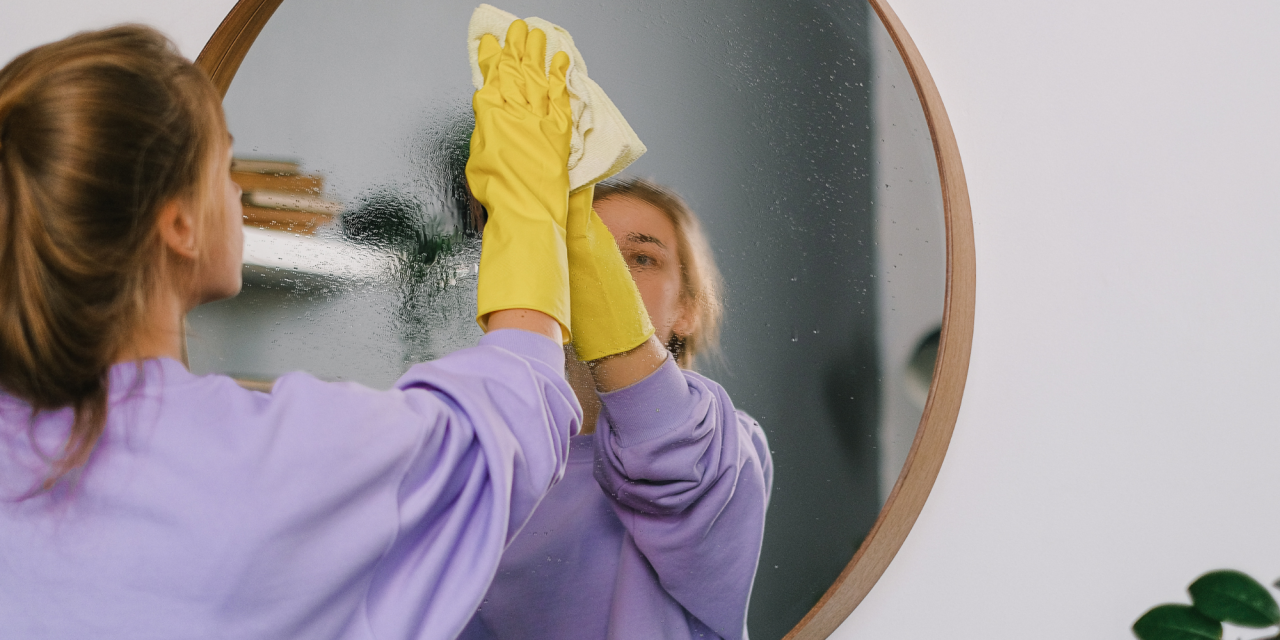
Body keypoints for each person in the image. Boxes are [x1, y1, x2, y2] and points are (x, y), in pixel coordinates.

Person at [0, 22, 581, 640]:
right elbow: (497, 436)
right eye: (225, 166)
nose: (238, 190)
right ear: (180, 227)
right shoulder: (269, 461)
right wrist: (528, 213)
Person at [460, 177, 774, 640]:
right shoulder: (485, 454)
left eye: (642, 258)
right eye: (583, 253)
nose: (607, 275)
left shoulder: (723, 444)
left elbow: (668, 451)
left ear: (686, 309)